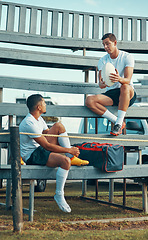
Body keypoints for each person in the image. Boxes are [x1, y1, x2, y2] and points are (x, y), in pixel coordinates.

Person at [19, 94, 89, 213]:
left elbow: (49, 134)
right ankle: (59, 194)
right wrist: (69, 149)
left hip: (40, 149)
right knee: (64, 162)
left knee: (59, 126)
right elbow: (46, 145)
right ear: (38, 107)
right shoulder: (29, 123)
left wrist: (66, 148)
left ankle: (71, 157)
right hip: (32, 155)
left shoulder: (39, 119)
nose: (46, 105)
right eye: (44, 103)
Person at [86, 33, 136, 136]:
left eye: (107, 44)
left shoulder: (127, 57)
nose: (105, 47)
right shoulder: (102, 60)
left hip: (127, 94)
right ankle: (118, 122)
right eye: (103, 44)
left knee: (125, 86)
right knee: (89, 100)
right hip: (112, 94)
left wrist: (119, 79)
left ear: (115, 43)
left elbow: (127, 80)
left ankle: (117, 124)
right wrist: (103, 83)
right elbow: (100, 84)